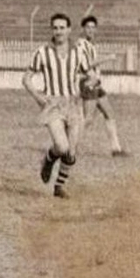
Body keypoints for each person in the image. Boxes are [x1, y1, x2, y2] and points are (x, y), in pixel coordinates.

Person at [22, 13, 91, 199]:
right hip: (53, 104)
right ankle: (49, 159)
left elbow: (88, 74)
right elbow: (26, 78)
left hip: (73, 104)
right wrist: (38, 96)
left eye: (62, 28)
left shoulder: (78, 51)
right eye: (55, 28)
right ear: (51, 30)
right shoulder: (42, 52)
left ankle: (58, 187)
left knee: (71, 151)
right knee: (61, 146)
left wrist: (88, 84)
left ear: (69, 30)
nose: (58, 31)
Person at [77, 16, 128, 157]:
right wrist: (108, 58)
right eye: (88, 27)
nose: (91, 30)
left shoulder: (91, 45)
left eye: (93, 27)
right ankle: (68, 146)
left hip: (96, 83)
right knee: (88, 119)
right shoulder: (80, 45)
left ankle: (116, 149)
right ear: (83, 29)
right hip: (88, 83)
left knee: (109, 114)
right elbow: (86, 65)